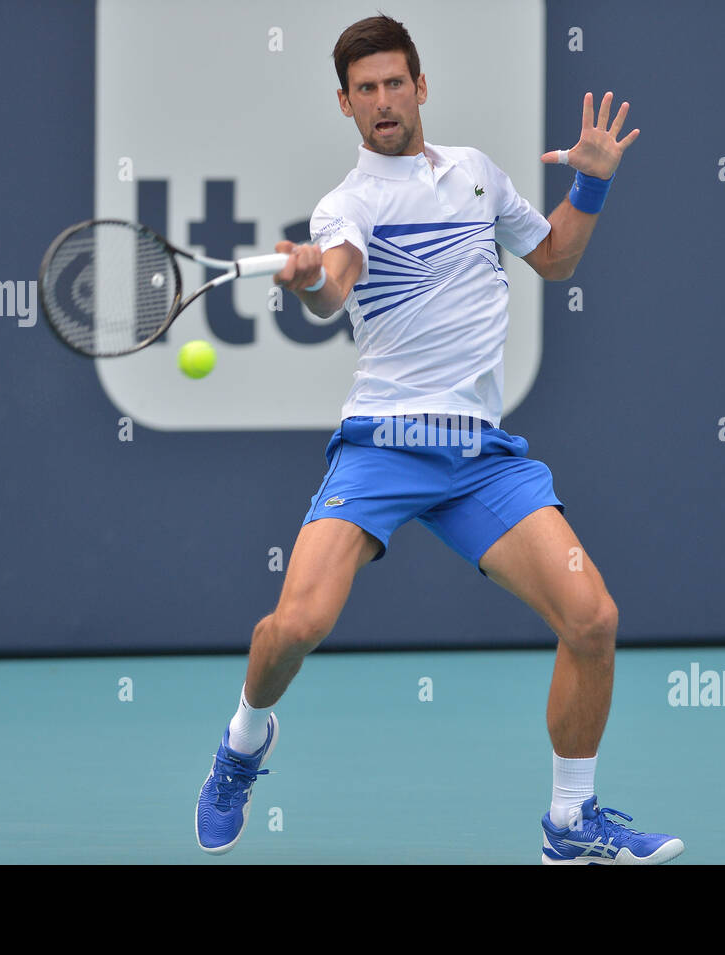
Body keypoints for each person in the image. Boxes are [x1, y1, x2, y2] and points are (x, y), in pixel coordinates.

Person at [196, 14, 683, 865]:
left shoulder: (477, 178)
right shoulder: (346, 205)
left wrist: (594, 184)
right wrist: (312, 278)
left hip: (478, 457)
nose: (383, 101)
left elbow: (556, 259)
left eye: (395, 82)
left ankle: (572, 823)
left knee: (593, 618)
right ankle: (243, 742)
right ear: (344, 105)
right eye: (365, 90)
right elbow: (334, 283)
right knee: (295, 625)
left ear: (420, 87)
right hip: (382, 445)